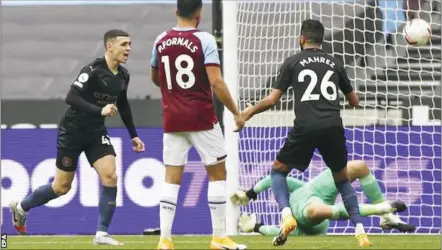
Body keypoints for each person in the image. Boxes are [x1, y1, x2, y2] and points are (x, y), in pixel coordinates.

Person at [240, 19, 370, 247]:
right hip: (332, 126)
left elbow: (272, 99)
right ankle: (360, 230)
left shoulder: (293, 62)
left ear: (301, 38)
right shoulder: (335, 63)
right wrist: (350, 92)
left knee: (278, 172)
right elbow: (354, 100)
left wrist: (249, 111)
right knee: (341, 179)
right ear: (322, 40)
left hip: (305, 126)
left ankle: (287, 215)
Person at [9, 29, 145, 246]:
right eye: (124, 44)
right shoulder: (92, 70)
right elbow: (71, 97)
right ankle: (22, 207)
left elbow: (124, 105)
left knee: (110, 176)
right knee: (61, 188)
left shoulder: (123, 76)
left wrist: (133, 136)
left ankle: (101, 234)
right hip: (72, 131)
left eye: (130, 44)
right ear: (110, 46)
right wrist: (99, 110)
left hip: (95, 133)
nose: (128, 48)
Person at [150, 0, 246, 249]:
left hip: (172, 118)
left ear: (176, 11)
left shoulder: (160, 40)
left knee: (171, 179)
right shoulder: (204, 40)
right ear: (199, 13)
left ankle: (165, 240)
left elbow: (156, 77)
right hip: (201, 118)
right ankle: (218, 237)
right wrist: (236, 112)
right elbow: (216, 82)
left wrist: (176, 95)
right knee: (217, 175)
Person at [231, 160, 416, 236]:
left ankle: (386, 215)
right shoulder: (296, 229)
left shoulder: (298, 188)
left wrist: (249, 194)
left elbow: (274, 179)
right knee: (314, 211)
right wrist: (255, 227)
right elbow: (276, 232)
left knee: (359, 167)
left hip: (317, 189)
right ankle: (383, 208)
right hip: (311, 216)